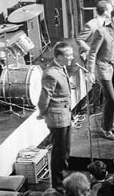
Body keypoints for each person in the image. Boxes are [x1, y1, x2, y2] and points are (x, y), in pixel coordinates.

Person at [86, 8, 114, 140]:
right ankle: (105, 129)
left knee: (111, 99)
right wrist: (90, 71)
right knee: (111, 98)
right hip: (103, 67)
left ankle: (108, 126)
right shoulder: (101, 32)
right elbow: (92, 52)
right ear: (113, 19)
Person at [37, 42, 75, 188]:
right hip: (57, 118)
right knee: (58, 153)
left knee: (65, 151)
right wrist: (42, 113)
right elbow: (44, 98)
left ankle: (63, 177)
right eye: (69, 55)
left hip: (65, 115)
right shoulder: (50, 73)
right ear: (59, 57)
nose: (72, 57)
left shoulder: (61, 68)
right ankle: (58, 186)